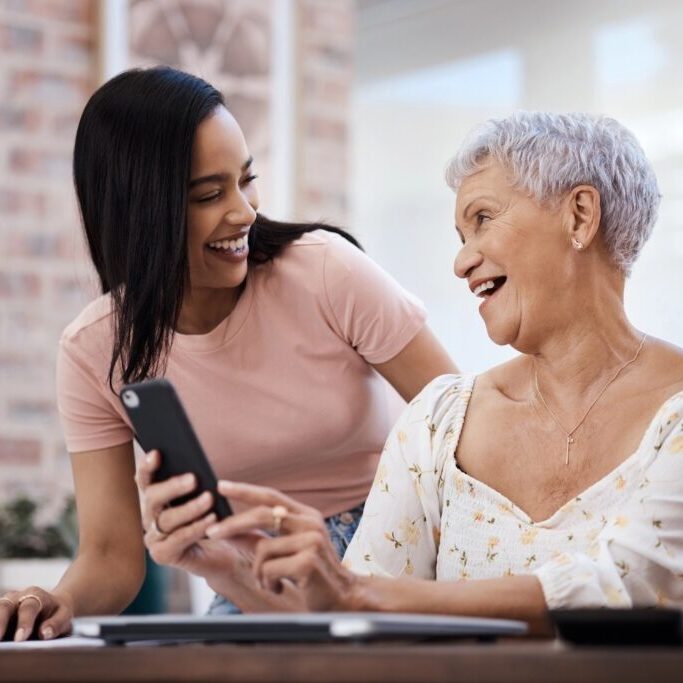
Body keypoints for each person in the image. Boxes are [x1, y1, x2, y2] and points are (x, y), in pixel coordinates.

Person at [137, 112, 683, 634]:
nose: (461, 261)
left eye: (483, 220)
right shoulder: (438, 422)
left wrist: (356, 591)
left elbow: (632, 585)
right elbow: (353, 618)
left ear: (580, 215)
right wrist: (223, 567)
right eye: (460, 236)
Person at [0, 66, 456, 641]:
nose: (244, 212)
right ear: (140, 211)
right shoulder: (95, 351)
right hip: (253, 575)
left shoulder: (325, 271)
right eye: (209, 195)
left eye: (246, 180)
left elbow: (465, 426)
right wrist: (54, 601)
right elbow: (113, 554)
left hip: (396, 546)